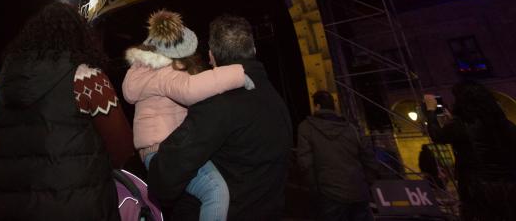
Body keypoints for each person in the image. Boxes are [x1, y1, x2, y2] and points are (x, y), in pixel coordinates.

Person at [0, 2, 135, 221]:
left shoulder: (4, 84)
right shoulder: (86, 77)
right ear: (80, 36)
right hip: (76, 205)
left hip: (9, 208)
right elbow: (122, 147)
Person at [147, 14, 293, 220]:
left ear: (212, 57)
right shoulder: (275, 99)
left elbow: (164, 178)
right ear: (254, 51)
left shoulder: (217, 103)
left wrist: (152, 156)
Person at [122, 10, 249, 221]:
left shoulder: (142, 71)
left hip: (155, 152)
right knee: (216, 191)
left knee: (189, 206)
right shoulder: (162, 73)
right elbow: (190, 89)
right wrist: (239, 73)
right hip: (167, 151)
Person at [423, 83, 516, 221]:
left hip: (482, 192)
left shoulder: (462, 125)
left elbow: (437, 135)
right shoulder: (508, 125)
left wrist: (431, 111)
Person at [296, 90, 379, 221]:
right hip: (358, 191)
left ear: (317, 106)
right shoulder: (351, 128)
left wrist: (315, 189)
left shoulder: (306, 128)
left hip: (329, 194)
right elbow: (368, 156)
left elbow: (305, 164)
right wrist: (366, 182)